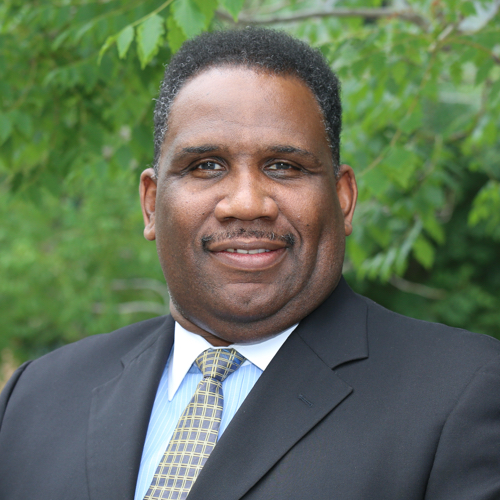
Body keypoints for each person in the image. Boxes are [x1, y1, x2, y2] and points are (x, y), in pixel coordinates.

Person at [1, 28, 499, 500]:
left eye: (284, 166)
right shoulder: (36, 398)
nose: (245, 203)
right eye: (206, 166)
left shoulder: (464, 391)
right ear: (151, 204)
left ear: (343, 198)